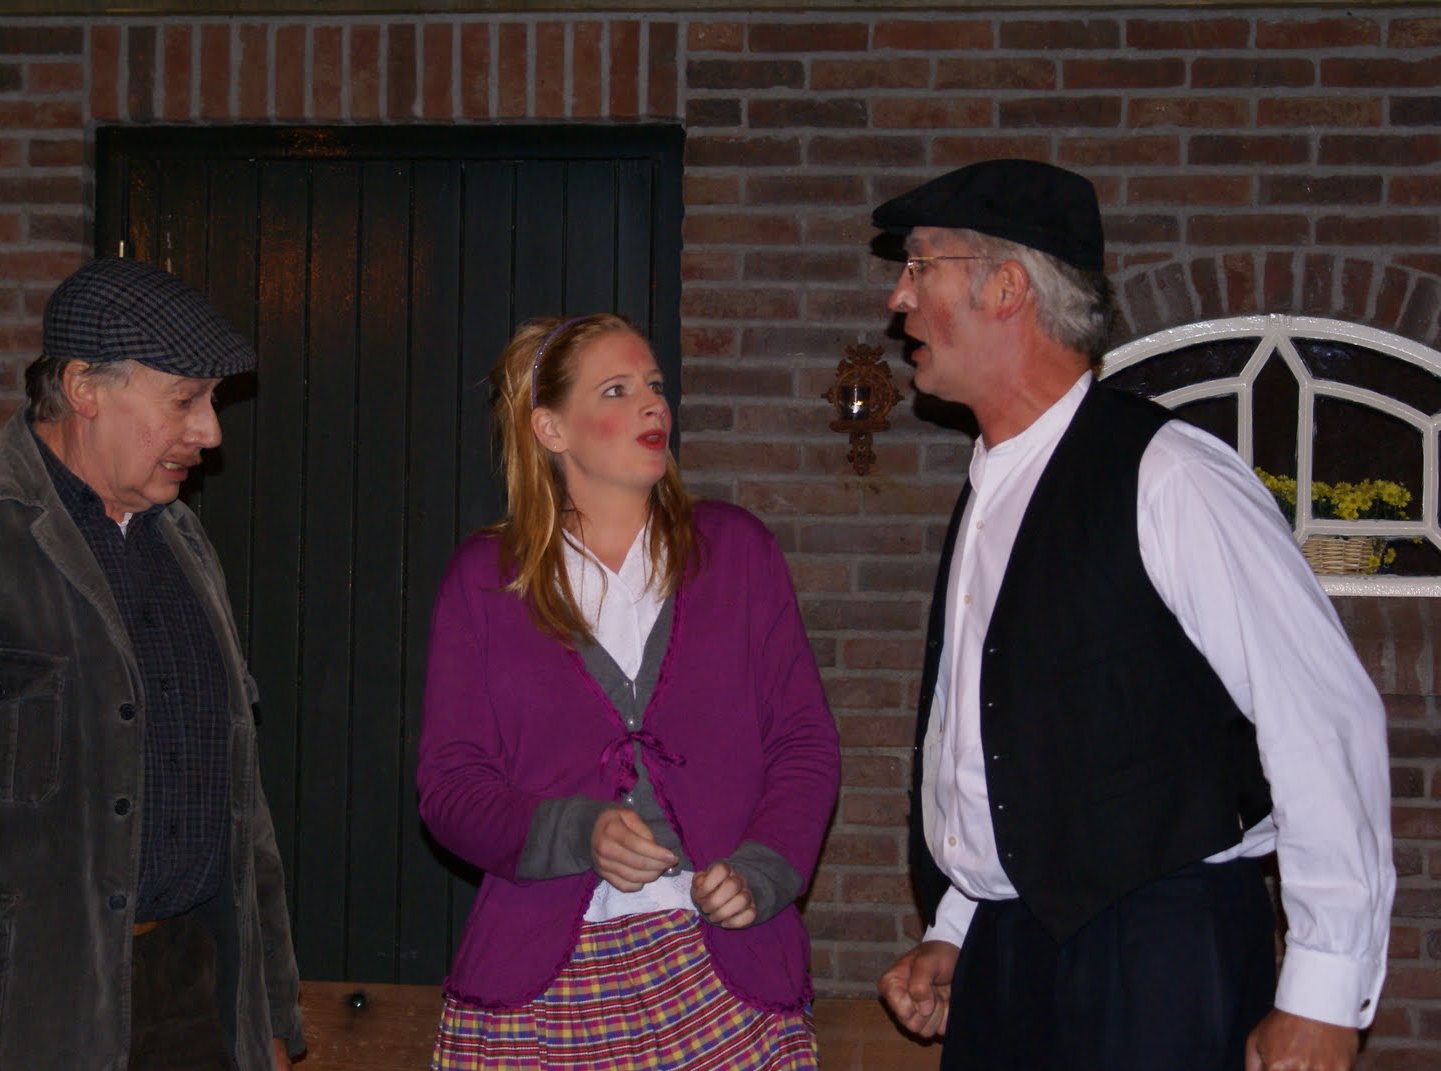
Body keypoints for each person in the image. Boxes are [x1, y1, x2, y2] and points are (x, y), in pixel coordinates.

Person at [870, 160, 1394, 1071]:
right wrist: (959, 920)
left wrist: (1322, 990)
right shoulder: (995, 486)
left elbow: (1320, 716)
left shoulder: (1170, 474)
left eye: (921, 264)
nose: (898, 297)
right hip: (1010, 953)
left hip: (1157, 959)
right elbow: (998, 744)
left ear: (1006, 287)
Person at [0, 257, 304, 1069]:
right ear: (85, 387)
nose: (210, 431)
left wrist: (269, 1007)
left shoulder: (185, 542)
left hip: (192, 1001)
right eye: (185, 400)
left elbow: (243, 808)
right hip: (16, 1020)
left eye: (212, 401)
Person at [417, 313, 840, 1070]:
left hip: (725, 970)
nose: (652, 404)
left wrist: (764, 869)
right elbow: (450, 788)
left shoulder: (736, 551)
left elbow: (804, 742)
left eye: (654, 385)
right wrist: (577, 831)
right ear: (551, 429)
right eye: (617, 389)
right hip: (542, 982)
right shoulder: (485, 578)